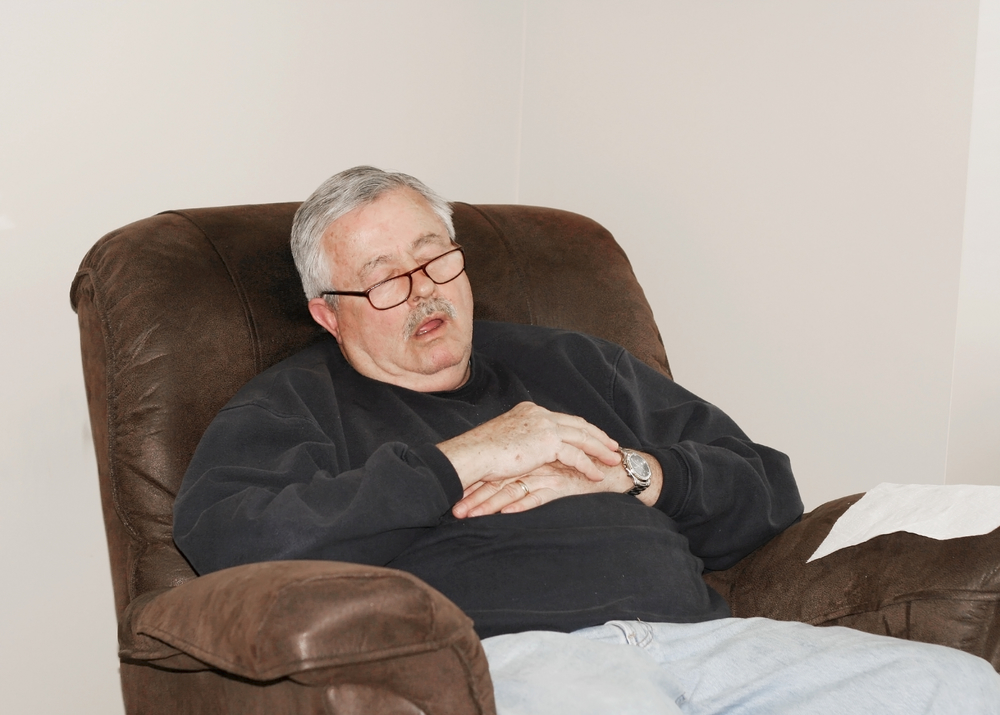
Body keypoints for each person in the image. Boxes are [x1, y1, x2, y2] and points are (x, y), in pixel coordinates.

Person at [173, 166, 1000, 714]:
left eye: (436, 258)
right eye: (387, 278)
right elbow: (222, 532)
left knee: (957, 688)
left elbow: (767, 487)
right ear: (328, 310)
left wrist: (634, 472)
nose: (426, 291)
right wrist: (462, 459)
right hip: (532, 667)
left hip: (709, 643)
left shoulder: (572, 361)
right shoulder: (295, 406)